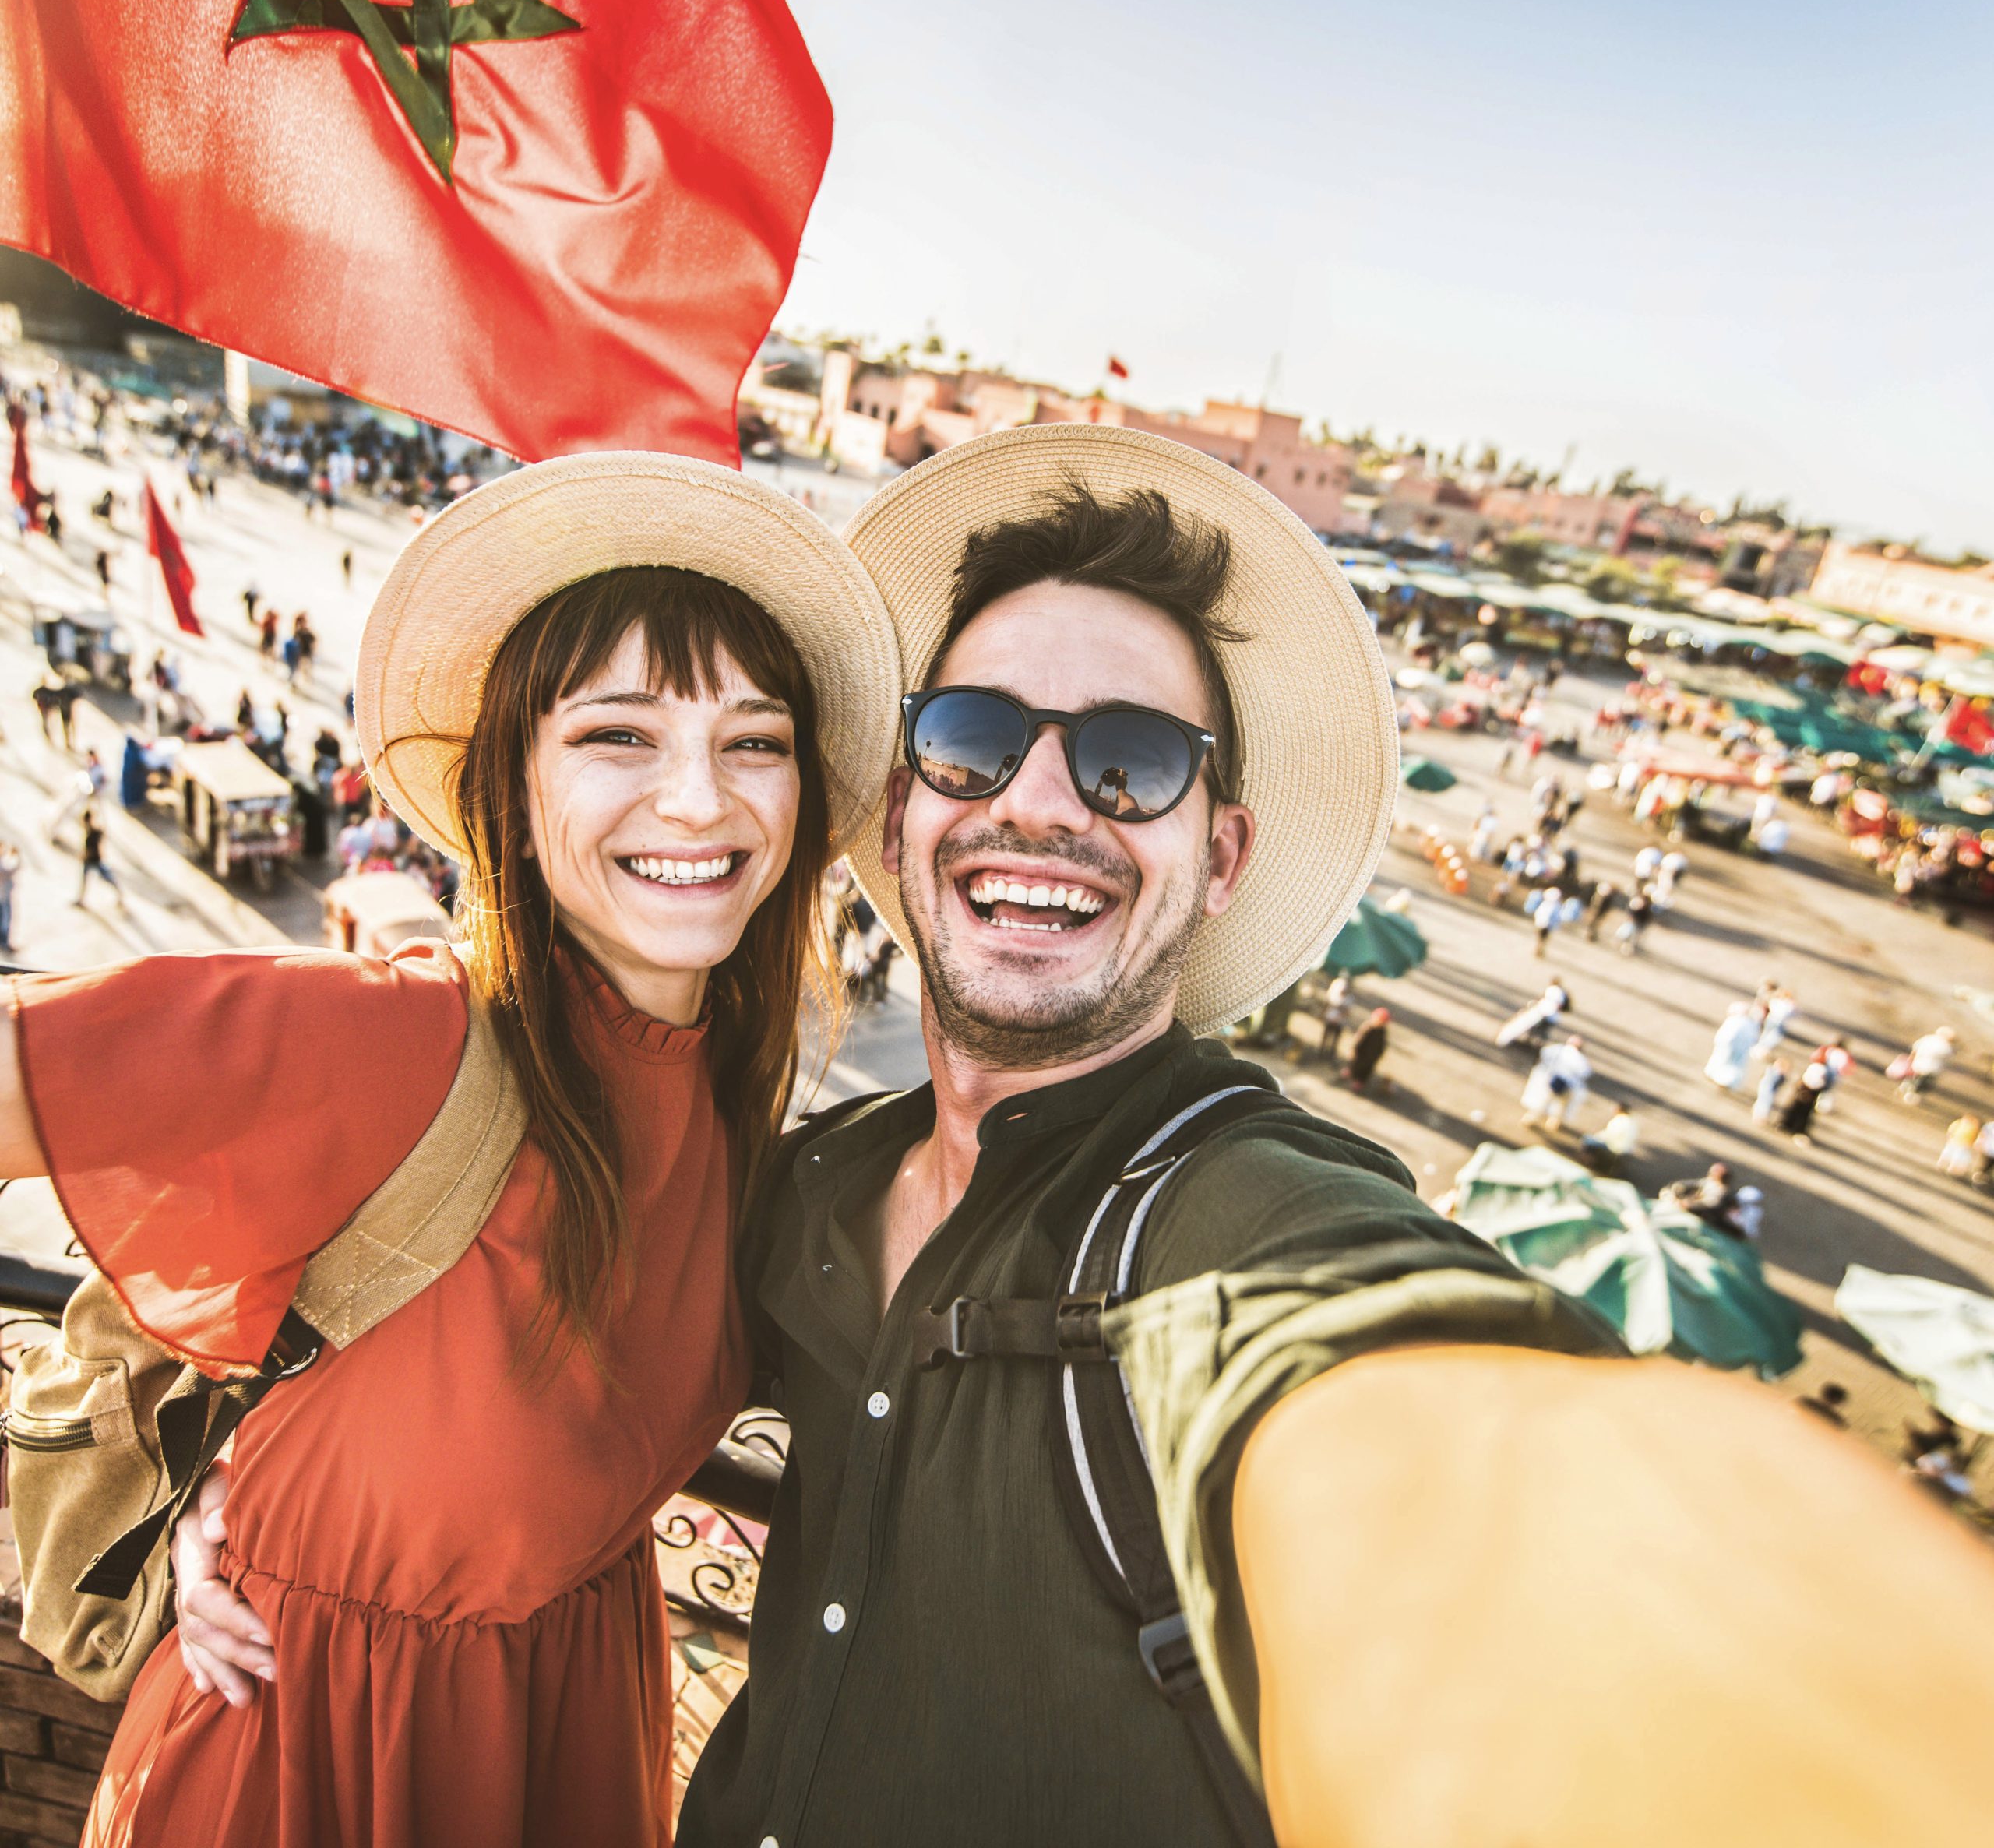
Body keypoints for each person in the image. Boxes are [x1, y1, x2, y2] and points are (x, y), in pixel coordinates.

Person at [202, 429, 1994, 1846]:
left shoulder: (1246, 1215)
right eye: (974, 738)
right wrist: (254, 1467)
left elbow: (1426, 1439)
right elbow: (532, 1348)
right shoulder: (803, 1187)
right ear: (900, 806)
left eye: (1129, 760)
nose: (1038, 801)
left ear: (1217, 847)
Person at [6, 454, 900, 1848]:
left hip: (566, 1729)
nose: (697, 801)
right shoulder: (401, 1040)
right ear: (514, 782)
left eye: (756, 740)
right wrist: (257, 1535)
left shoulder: (739, 1102)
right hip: (302, 1758)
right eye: (619, 736)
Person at [1522, 1033, 1591, 1132]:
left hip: (1551, 1081)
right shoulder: (1581, 1059)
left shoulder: (1557, 1050)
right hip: (1568, 1087)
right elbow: (1585, 1072)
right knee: (1561, 1107)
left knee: (1542, 1102)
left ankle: (1530, 1119)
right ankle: (1553, 1123)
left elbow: (1544, 1053)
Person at [1496, 977, 1569, 1049]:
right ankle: (1534, 1042)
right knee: (1540, 1031)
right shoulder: (1561, 993)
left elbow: (1547, 1000)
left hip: (1545, 1013)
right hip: (1551, 1016)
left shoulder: (1552, 990)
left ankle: (1530, 1040)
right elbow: (1561, 1006)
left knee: (1531, 1027)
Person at [1704, 1001, 1761, 1093]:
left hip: (1730, 1047)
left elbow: (1727, 1035)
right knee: (1733, 1066)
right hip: (1740, 1049)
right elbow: (1754, 1039)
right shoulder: (1750, 1024)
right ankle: (1725, 1081)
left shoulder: (1737, 1021)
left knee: (1722, 1062)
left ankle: (1720, 1079)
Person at [74, 808, 121, 907]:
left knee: (107, 878)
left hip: (95, 860)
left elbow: (96, 846)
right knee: (85, 880)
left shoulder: (94, 833)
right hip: (89, 861)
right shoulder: (89, 831)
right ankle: (81, 899)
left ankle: (120, 895)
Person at [1776, 1058, 1831, 1142]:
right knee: (1804, 1113)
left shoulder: (1815, 1067)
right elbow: (1824, 1084)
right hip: (1812, 1091)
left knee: (1794, 1108)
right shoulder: (1825, 1070)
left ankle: (1785, 1125)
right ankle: (1797, 1129)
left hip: (1804, 1087)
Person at [1898, 1026, 1955, 1104]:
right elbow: (1949, 1055)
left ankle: (1905, 1087)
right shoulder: (1946, 1046)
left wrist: (1912, 1057)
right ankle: (1911, 1095)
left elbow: (1915, 1047)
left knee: (1913, 1077)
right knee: (1922, 1083)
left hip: (1918, 1063)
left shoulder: (1928, 1038)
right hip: (1931, 1069)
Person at [1580, 1102, 1639, 1177]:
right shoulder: (1632, 1122)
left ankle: (1587, 1164)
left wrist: (1597, 1138)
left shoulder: (1619, 1120)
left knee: (1588, 1140)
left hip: (1616, 1147)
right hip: (1627, 1149)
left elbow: (1609, 1135)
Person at [1344, 1005, 1391, 1092]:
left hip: (1372, 1057)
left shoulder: (1382, 1031)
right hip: (1361, 1053)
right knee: (1355, 1065)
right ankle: (1349, 1072)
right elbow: (1359, 1039)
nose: (1380, 1023)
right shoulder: (1368, 1028)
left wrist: (1380, 1053)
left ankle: (1359, 1082)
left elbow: (1382, 1043)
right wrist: (1353, 1049)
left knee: (1366, 1070)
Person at [1938, 1114, 1982, 1181]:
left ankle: (1953, 1169)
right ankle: (1942, 1164)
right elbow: (1951, 1130)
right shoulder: (1959, 1123)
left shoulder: (1975, 1128)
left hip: (1966, 1144)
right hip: (1956, 1141)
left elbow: (1977, 1138)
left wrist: (1974, 1145)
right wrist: (1950, 1137)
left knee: (1959, 1158)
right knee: (1950, 1153)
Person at [1616, 884, 1654, 954]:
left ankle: (1627, 947)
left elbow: (1647, 915)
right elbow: (1631, 909)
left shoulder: (1649, 902)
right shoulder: (1638, 900)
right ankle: (1623, 945)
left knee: (1633, 936)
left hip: (1640, 922)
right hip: (1633, 921)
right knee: (1626, 934)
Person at [0, 837, 19, 951]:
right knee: (5, 918)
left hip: (4, 895)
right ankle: (4, 941)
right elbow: (10, 870)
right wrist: (16, 857)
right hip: (3, 896)